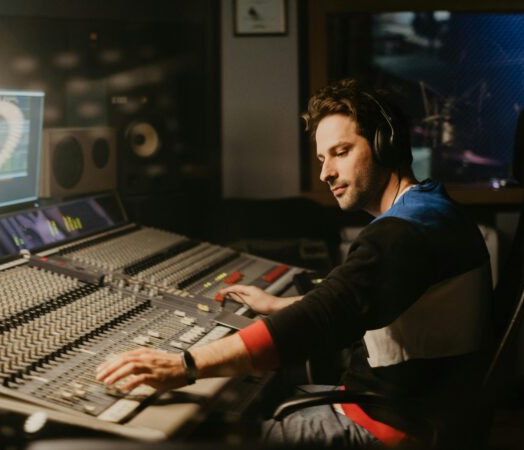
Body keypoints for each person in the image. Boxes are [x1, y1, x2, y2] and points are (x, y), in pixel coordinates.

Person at [95, 79, 492, 447]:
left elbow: (321, 320)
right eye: (322, 157)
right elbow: (357, 300)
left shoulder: (403, 232)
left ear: (385, 145)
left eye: (341, 152)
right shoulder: (431, 210)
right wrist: (281, 305)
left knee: (194, 437)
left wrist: (184, 364)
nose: (326, 172)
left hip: (386, 426)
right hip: (397, 408)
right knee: (245, 402)